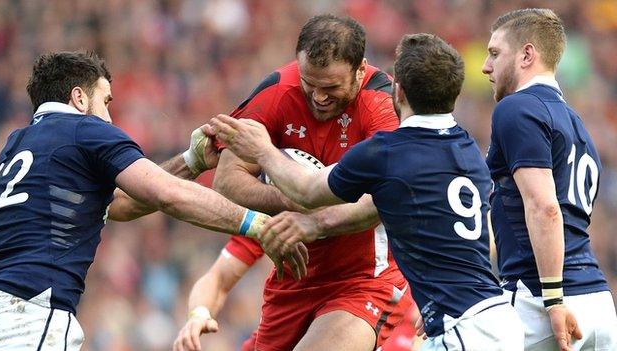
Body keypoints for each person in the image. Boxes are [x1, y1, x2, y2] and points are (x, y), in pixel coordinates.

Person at [212, 32, 525, 351]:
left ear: (397, 90)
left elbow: (307, 191)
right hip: (495, 317)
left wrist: (263, 151)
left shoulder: (388, 153)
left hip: (461, 329)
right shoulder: (468, 149)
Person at [0, 51, 307, 350]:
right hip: (32, 312)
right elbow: (168, 194)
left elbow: (120, 203)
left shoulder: (19, 143)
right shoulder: (86, 129)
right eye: (106, 101)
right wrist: (259, 223)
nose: (109, 116)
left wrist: (191, 161)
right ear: (78, 98)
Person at [176, 14, 413, 351]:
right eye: (308, 84)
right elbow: (226, 180)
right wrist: (298, 201)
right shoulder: (276, 91)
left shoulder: (383, 105)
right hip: (289, 291)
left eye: (330, 87)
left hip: (363, 282)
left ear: (360, 70)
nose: (317, 97)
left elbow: (379, 203)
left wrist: (312, 217)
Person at [482, 8, 617, 351]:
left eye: (495, 53)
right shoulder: (578, 126)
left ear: (527, 54)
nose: (486, 66)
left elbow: (545, 208)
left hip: (539, 299)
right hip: (598, 303)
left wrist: (553, 299)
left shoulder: (516, 108)